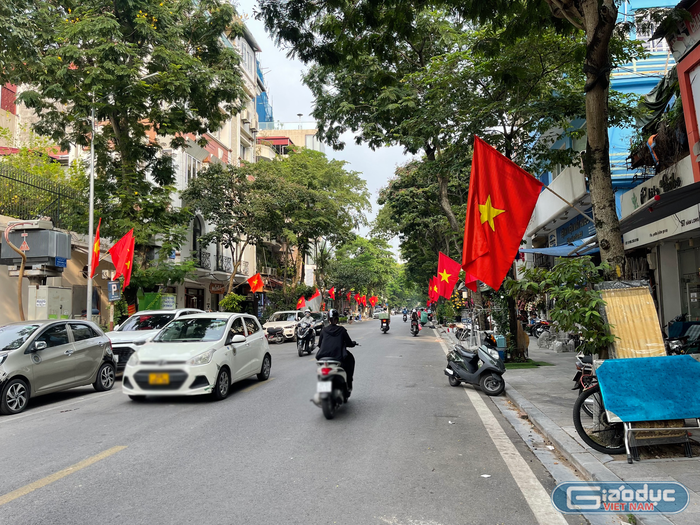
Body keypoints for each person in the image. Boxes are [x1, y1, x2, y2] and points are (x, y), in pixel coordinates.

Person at [316, 309, 357, 390]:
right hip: (338, 357)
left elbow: (320, 345)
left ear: (329, 319)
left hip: (323, 358)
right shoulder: (341, 330)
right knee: (350, 359)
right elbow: (349, 343)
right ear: (337, 319)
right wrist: (353, 343)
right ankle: (349, 383)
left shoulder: (324, 330)